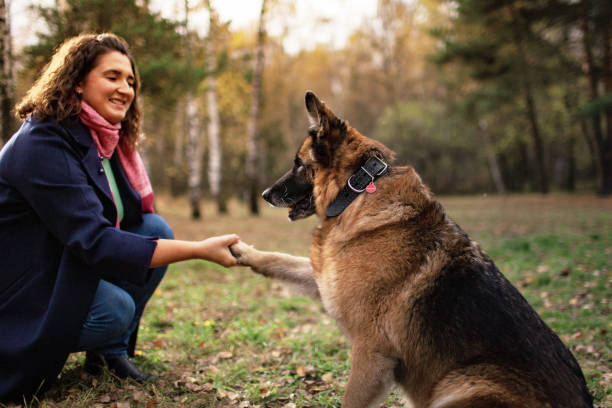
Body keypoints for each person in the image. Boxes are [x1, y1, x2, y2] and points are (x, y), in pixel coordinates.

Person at [0, 33, 239, 402]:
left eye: (130, 81)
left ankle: (109, 354)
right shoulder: (43, 143)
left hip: (62, 261)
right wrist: (198, 249)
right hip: (22, 287)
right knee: (114, 311)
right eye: (112, 77)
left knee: (154, 227)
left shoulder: (102, 140)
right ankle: (60, 343)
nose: (126, 89)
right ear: (77, 81)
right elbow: (95, 241)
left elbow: (127, 217)